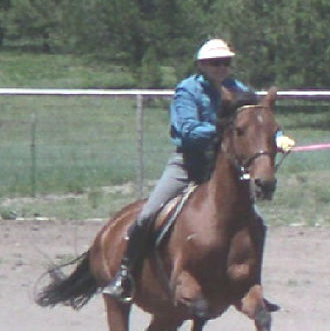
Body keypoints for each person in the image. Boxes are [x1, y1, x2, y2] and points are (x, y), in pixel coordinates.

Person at [103, 38, 294, 303]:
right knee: (147, 216)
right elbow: (188, 131)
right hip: (188, 165)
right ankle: (124, 274)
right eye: (215, 63)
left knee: (257, 224)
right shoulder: (188, 91)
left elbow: (257, 120)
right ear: (202, 65)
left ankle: (251, 282)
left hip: (222, 169)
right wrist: (222, 131)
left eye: (226, 62)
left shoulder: (238, 90)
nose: (221, 67)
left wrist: (278, 137)